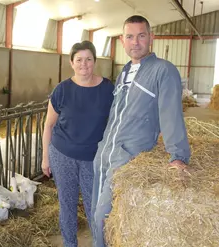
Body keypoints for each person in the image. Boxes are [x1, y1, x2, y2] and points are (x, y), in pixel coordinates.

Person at [91, 15, 191, 247]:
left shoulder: (162, 71)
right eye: (130, 36)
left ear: (151, 38)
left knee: (102, 217)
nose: (135, 42)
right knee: (96, 217)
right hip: (104, 156)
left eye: (141, 35)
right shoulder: (125, 71)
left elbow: (170, 114)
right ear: (122, 40)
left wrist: (178, 155)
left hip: (127, 159)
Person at [41, 40, 114, 247]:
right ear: (71, 63)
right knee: (67, 204)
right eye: (79, 60)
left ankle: (99, 243)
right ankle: (69, 244)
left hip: (93, 158)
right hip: (62, 154)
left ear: (95, 61)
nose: (84, 64)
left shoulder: (108, 89)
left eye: (88, 59)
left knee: (96, 206)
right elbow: (48, 126)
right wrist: (45, 157)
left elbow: (118, 119)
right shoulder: (62, 90)